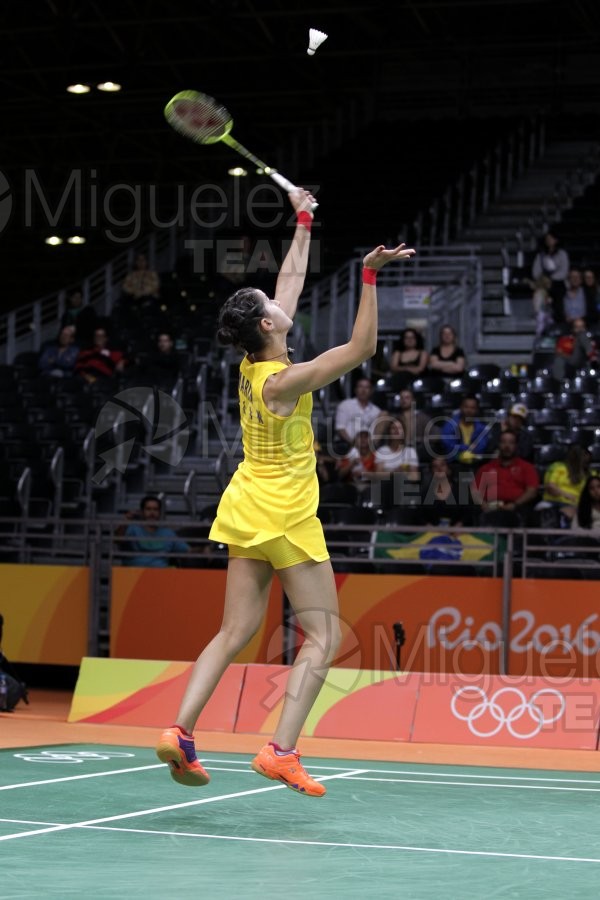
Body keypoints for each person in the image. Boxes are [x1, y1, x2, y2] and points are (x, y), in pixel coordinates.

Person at [155, 188, 415, 797]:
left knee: (233, 631)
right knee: (323, 637)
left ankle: (181, 730)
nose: (281, 297)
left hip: (246, 503)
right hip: (287, 512)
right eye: (273, 302)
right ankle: (281, 749)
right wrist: (369, 277)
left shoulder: (255, 364)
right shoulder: (288, 379)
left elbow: (290, 279)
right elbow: (362, 349)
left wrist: (302, 219)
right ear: (269, 324)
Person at [473, 429, 540, 527]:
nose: (507, 446)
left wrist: (514, 504)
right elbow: (475, 491)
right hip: (490, 506)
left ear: (516, 446)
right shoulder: (486, 468)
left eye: (511, 443)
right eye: (503, 442)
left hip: (516, 507)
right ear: (499, 445)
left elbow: (532, 491)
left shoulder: (526, 467)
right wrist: (484, 505)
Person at [117, 495, 190, 567]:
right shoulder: (132, 529)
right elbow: (117, 540)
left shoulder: (168, 534)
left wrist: (201, 549)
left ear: (160, 513)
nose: (152, 513)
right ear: (142, 512)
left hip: (160, 576)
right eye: (148, 509)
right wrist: (125, 522)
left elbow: (188, 551)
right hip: (133, 576)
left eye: (155, 509)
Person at [541, 443, 590, 525]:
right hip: (553, 502)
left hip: (576, 505)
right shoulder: (557, 466)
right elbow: (550, 487)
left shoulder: (589, 474)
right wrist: (566, 495)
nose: (586, 457)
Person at [419, 457, 475, 527]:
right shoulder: (425, 494)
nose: (439, 468)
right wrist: (434, 531)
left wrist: (457, 527)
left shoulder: (461, 491)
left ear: (449, 469)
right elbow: (420, 517)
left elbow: (468, 514)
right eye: (435, 466)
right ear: (431, 471)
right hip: (431, 534)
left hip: (458, 533)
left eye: (442, 465)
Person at [439, 394, 490, 468]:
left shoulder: (481, 428)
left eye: (472, 408)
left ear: (477, 410)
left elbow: (481, 447)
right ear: (461, 408)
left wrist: (466, 451)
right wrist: (466, 449)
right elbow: (449, 446)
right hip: (453, 463)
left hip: (475, 463)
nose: (469, 410)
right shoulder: (450, 425)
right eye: (466, 407)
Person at [531, 229, 569, 321]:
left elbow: (564, 271)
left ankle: (559, 319)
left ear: (556, 240)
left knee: (558, 294)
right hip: (544, 283)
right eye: (547, 239)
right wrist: (543, 280)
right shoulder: (541, 255)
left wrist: (551, 279)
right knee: (538, 294)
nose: (548, 240)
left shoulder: (562, 254)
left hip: (558, 283)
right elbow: (536, 272)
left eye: (551, 238)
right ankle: (540, 319)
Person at [334, 376, 382, 445]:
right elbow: (340, 428)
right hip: (346, 444)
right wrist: (354, 444)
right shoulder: (345, 405)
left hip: (367, 447)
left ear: (371, 391)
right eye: (360, 387)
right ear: (355, 390)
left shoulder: (376, 410)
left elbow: (376, 432)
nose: (363, 390)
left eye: (367, 387)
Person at [394, 387, 432, 453]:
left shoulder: (422, 417)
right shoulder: (395, 418)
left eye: (407, 398)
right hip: (397, 450)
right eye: (401, 398)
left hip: (418, 451)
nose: (404, 400)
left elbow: (435, 435)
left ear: (413, 400)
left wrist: (420, 440)